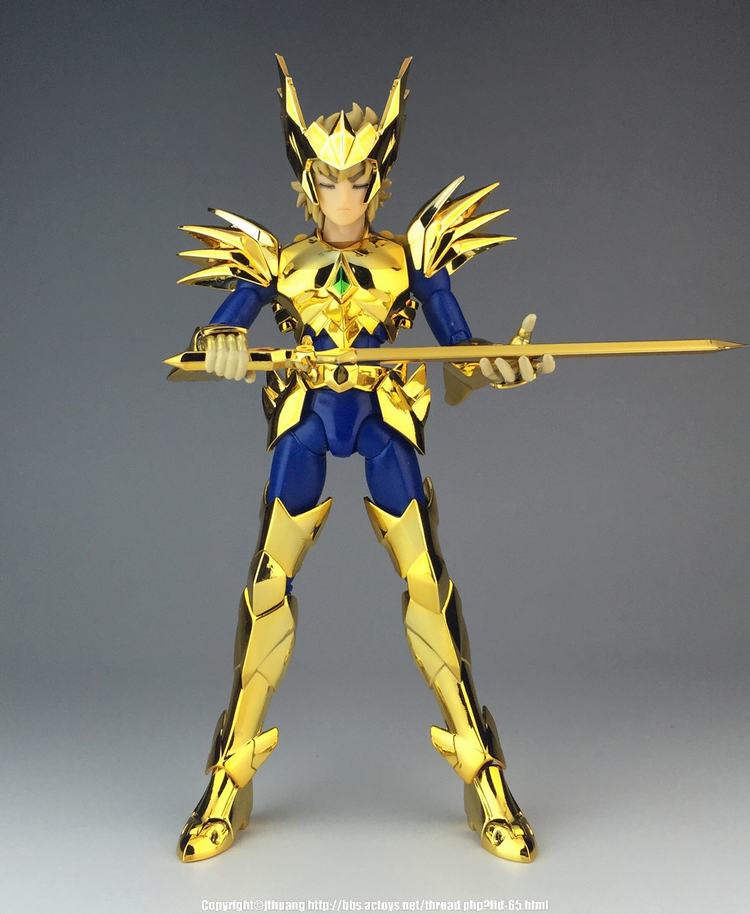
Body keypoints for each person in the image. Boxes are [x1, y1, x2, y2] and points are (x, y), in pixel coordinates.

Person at [174, 54, 555, 864]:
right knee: (267, 586)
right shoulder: (278, 260)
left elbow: (459, 351)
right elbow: (219, 327)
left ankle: (484, 773)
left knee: (428, 586)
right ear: (305, 183)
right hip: (307, 423)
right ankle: (228, 776)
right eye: (328, 180)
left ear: (379, 181)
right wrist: (222, 344)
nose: (343, 196)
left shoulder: (411, 256)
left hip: (383, 423)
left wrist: (498, 365)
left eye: (357, 180)